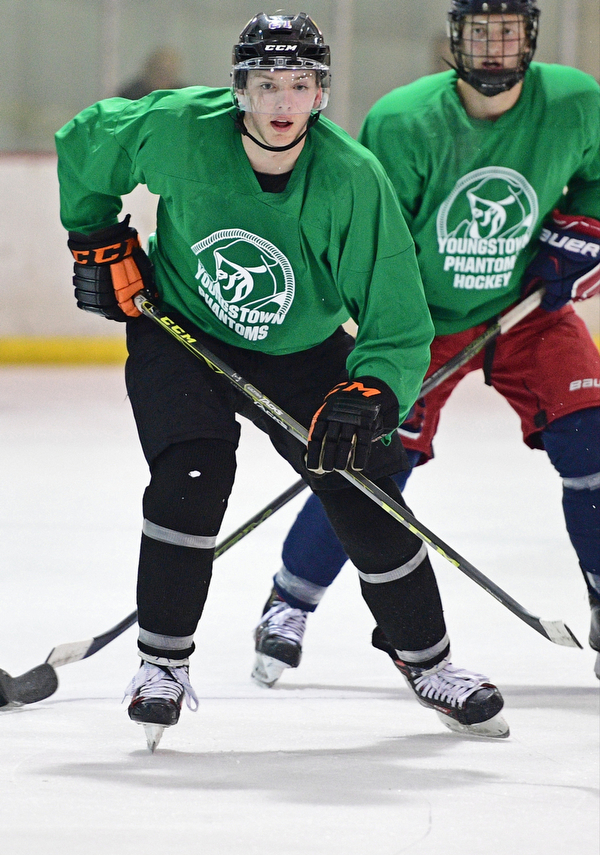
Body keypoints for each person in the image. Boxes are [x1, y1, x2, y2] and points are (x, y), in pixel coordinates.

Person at [55, 11, 510, 748]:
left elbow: (395, 316)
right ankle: (161, 664)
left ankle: (428, 661)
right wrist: (97, 235)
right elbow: (86, 141)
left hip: (301, 349)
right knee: (191, 473)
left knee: (367, 484)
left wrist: (372, 389)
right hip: (184, 333)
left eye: (299, 85)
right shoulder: (178, 127)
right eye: (265, 84)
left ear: (321, 94)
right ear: (239, 88)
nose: (281, 103)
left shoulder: (352, 180)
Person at [254, 0, 600, 686]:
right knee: (374, 461)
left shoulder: (578, 100)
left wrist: (584, 228)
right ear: (456, 39)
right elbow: (375, 241)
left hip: (528, 307)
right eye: (480, 32)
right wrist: (389, 336)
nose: (495, 47)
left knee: (590, 438)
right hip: (422, 319)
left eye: (508, 31)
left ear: (529, 36)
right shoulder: (403, 121)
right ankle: (288, 600)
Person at [116, 47, 184, 100]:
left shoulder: (182, 96)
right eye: (159, 71)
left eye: (167, 73)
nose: (162, 76)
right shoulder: (130, 95)